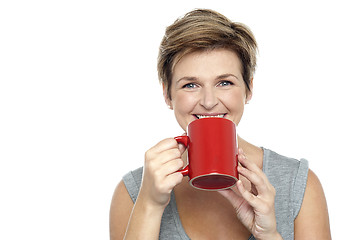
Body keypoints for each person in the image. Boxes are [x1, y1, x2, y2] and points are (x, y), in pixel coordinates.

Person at [109, 9, 331, 240]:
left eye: (224, 82)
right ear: (167, 94)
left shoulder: (299, 185)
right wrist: (150, 204)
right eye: (190, 85)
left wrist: (270, 235)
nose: (208, 102)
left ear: (249, 89)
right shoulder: (132, 192)